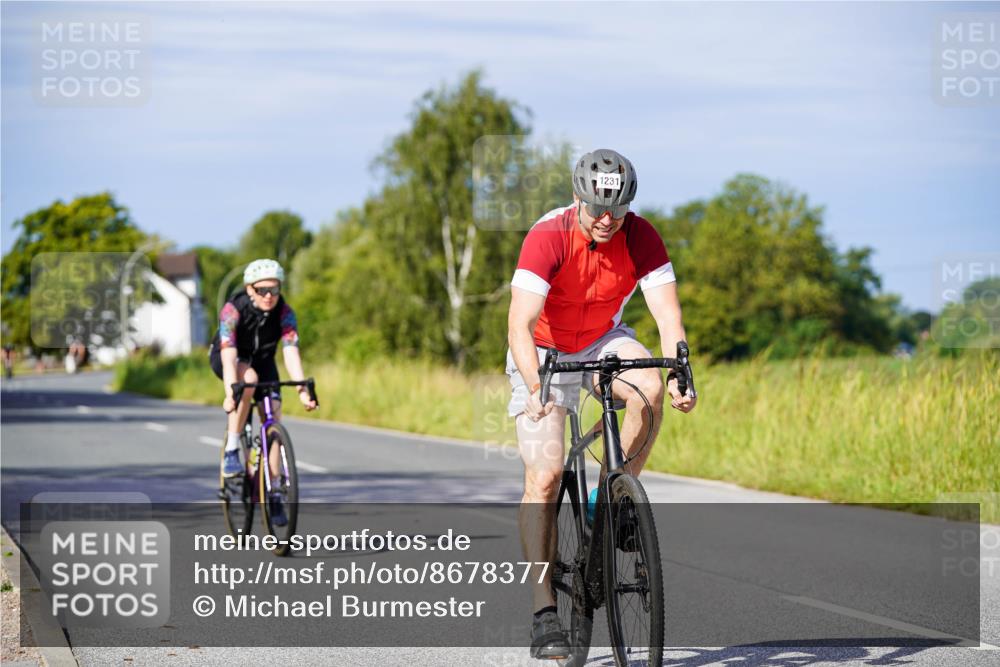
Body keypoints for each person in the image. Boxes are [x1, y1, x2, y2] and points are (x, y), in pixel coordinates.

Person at [506, 148, 697, 659]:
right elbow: (519, 324)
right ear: (577, 199)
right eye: (597, 208)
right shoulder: (547, 236)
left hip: (602, 340)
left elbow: (667, 315)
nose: (608, 218)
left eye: (618, 207)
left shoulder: (641, 236)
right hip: (543, 350)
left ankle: (610, 501)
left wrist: (680, 370)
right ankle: (544, 609)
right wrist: (535, 387)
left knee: (648, 388)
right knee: (543, 476)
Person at [208, 258, 317, 525]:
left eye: (275, 290)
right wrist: (230, 392)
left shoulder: (285, 313)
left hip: (264, 360)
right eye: (262, 290)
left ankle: (276, 491)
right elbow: (229, 355)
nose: (269, 296)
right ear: (249, 290)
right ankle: (233, 447)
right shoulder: (233, 311)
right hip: (231, 358)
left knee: (274, 418)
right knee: (250, 379)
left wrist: (302, 388)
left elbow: (291, 353)